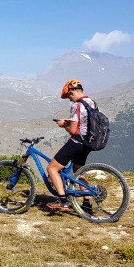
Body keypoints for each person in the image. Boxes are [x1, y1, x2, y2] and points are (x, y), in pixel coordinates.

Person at [46, 79, 95, 211]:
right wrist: (70, 121)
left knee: (52, 169)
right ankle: (86, 202)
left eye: (69, 95)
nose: (69, 99)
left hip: (77, 142)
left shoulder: (77, 105)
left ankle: (62, 201)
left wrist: (64, 125)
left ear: (73, 91)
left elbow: (73, 130)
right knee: (78, 172)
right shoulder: (91, 102)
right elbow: (85, 122)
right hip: (88, 143)